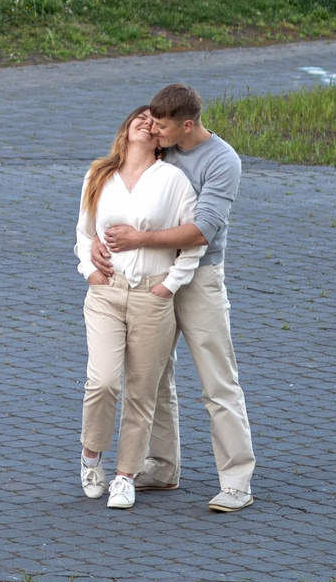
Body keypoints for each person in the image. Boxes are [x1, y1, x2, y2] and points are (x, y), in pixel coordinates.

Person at [95, 82, 256, 512]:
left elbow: (203, 230)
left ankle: (237, 481)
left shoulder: (222, 160)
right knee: (154, 378)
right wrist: (97, 243)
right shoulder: (162, 148)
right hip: (147, 277)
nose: (154, 132)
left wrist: (139, 239)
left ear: (186, 125)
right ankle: (161, 467)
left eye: (162, 126)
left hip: (198, 278)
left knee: (217, 380)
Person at [72, 106, 205, 511]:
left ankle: (126, 475)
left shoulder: (174, 180)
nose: (147, 122)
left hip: (152, 297)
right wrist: (88, 269)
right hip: (106, 295)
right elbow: (83, 231)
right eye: (140, 117)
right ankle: (91, 457)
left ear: (162, 136)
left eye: (154, 120)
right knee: (104, 382)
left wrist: (168, 286)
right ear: (126, 127)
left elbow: (193, 242)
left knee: (142, 392)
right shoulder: (99, 175)